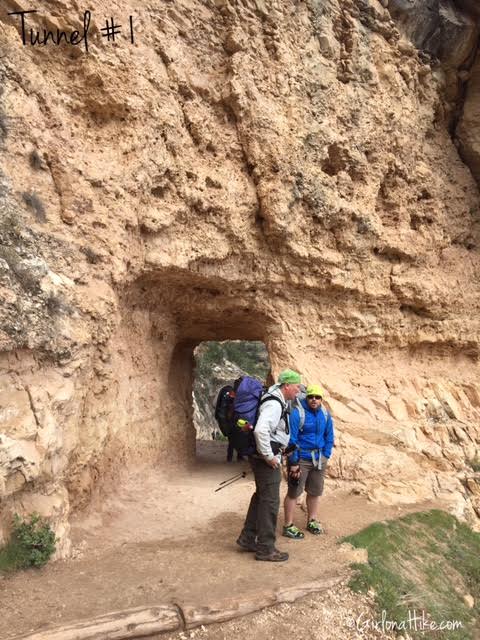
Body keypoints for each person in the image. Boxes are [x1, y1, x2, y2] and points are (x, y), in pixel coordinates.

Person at [236, 369, 302, 562]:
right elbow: (261, 430)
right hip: (266, 460)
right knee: (270, 502)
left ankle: (248, 538)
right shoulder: (274, 403)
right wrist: (268, 455)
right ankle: (266, 548)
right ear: (287, 386)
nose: (298, 391)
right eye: (297, 387)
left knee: (261, 497)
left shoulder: (275, 399)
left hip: (264, 456)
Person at [283, 384, 334, 538]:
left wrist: (326, 454)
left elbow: (329, 436)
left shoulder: (325, 414)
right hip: (301, 459)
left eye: (317, 397)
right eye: (311, 397)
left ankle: (312, 520)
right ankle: (288, 525)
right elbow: (291, 440)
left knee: (315, 491)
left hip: (319, 459)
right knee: (294, 492)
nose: (314, 400)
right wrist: (293, 463)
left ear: (321, 399)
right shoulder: (297, 414)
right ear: (306, 397)